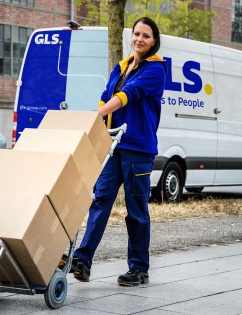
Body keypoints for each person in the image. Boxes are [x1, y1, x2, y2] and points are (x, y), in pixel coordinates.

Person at [63, 17, 167, 286]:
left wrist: (97, 113)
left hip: (138, 149)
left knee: (136, 210)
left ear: (154, 41)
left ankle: (139, 269)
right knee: (100, 200)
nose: (139, 39)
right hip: (114, 145)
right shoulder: (121, 67)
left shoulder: (156, 70)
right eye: (136, 34)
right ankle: (83, 260)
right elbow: (106, 94)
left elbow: (128, 95)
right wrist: (95, 117)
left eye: (146, 35)